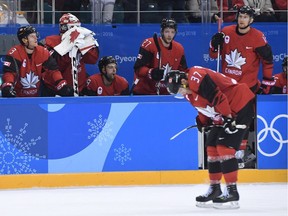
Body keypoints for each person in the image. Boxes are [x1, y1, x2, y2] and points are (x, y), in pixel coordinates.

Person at [165, 67, 255, 209]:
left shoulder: (196, 76)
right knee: (212, 147)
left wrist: (227, 118)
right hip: (225, 110)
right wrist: (202, 121)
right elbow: (204, 107)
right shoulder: (188, 93)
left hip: (239, 104)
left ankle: (232, 191)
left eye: (179, 90)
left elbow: (218, 97)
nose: (181, 94)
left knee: (224, 148)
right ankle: (215, 189)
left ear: (183, 81)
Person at [209, 5, 275, 166]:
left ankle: (240, 153)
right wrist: (213, 44)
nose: (242, 19)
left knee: (244, 121)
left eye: (245, 17)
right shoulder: (226, 32)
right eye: (240, 16)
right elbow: (213, 55)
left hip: (247, 88)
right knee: (226, 119)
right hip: (227, 87)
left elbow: (268, 60)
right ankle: (225, 152)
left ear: (251, 20)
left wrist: (267, 81)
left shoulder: (258, 37)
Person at [1, 25, 73, 97]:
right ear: (24, 40)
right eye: (32, 36)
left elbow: (53, 71)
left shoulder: (43, 52)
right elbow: (10, 73)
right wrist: (8, 86)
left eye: (36, 35)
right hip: (17, 98)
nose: (36, 38)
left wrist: (61, 84)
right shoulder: (15, 53)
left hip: (36, 98)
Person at [40, 13, 99, 96]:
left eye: (77, 27)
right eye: (73, 27)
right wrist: (65, 48)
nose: (76, 30)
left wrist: (87, 44)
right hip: (55, 89)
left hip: (78, 86)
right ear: (63, 27)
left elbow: (93, 59)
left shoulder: (83, 41)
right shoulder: (50, 42)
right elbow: (51, 67)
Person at [132, 18, 188, 95]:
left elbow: (183, 71)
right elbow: (138, 69)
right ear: (162, 31)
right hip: (145, 92)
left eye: (172, 32)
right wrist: (151, 72)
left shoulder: (179, 48)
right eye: (167, 31)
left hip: (166, 93)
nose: (169, 35)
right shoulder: (149, 44)